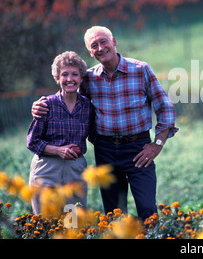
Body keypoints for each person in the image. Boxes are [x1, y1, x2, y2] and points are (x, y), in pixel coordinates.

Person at [32, 26, 178, 220]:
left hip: (139, 149)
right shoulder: (88, 78)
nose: (100, 47)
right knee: (114, 214)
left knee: (147, 210)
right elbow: (70, 103)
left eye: (103, 41)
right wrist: (39, 106)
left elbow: (165, 108)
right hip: (105, 151)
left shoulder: (140, 70)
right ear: (90, 52)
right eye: (94, 45)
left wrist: (157, 145)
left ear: (114, 42)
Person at [27, 51, 92, 215]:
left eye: (75, 74)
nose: (70, 79)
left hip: (75, 171)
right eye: (64, 74)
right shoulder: (46, 105)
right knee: (47, 225)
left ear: (81, 78)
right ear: (57, 78)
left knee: (74, 223)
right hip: (47, 171)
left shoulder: (88, 107)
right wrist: (59, 150)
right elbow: (33, 142)